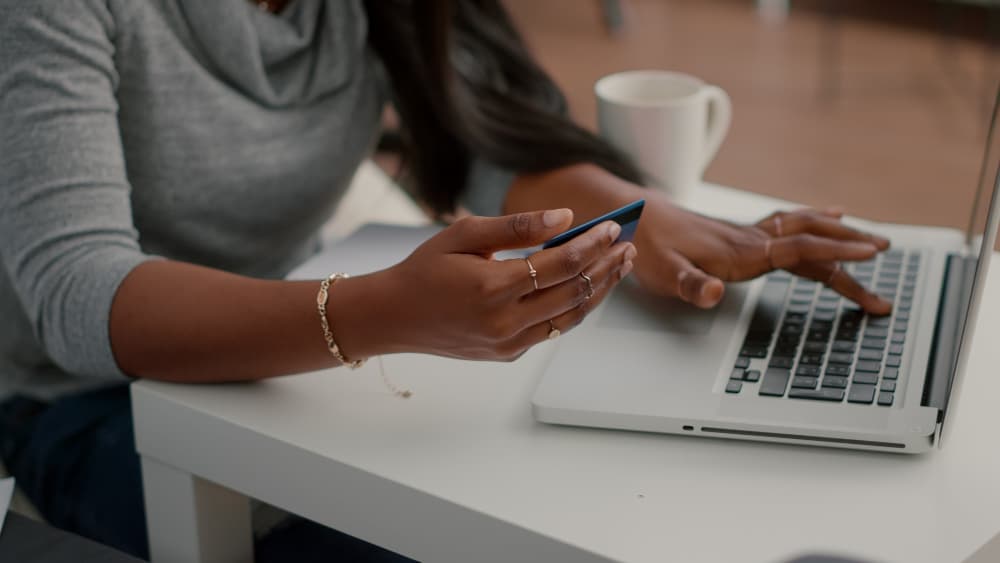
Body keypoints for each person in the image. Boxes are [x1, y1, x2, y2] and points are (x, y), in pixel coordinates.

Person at [0, 0, 892, 560]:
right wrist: (378, 312)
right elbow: (80, 295)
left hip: (298, 347)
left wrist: (639, 216)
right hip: (79, 396)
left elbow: (478, 145)